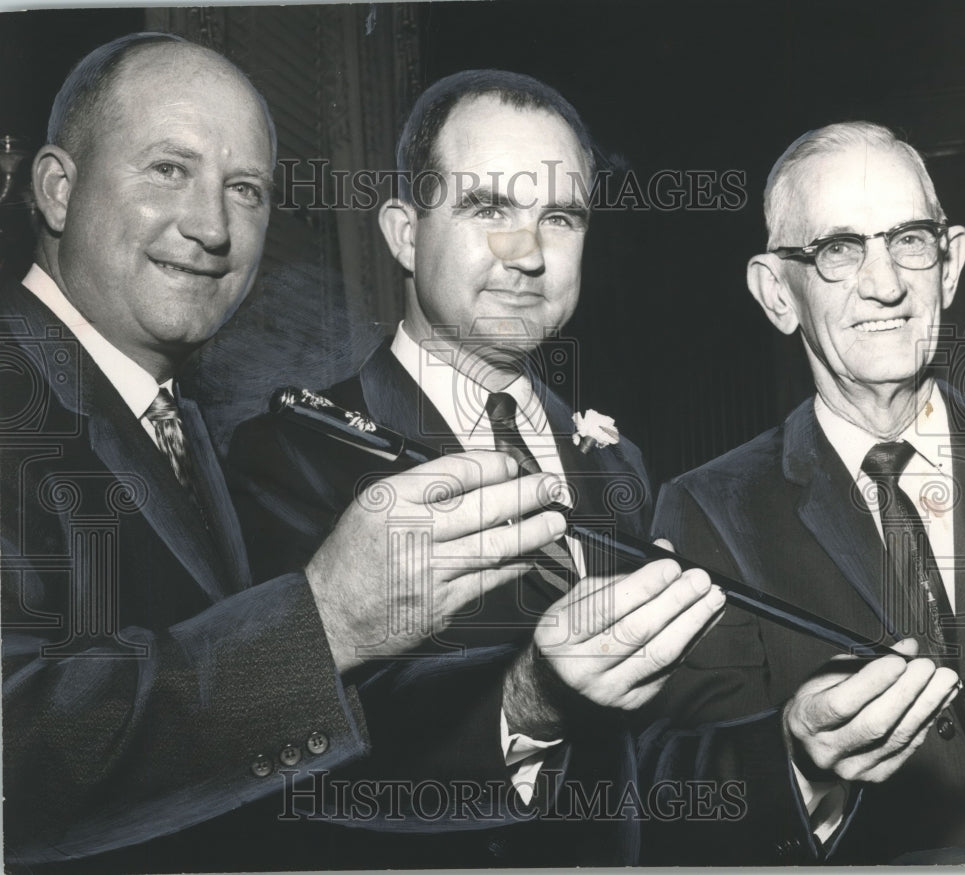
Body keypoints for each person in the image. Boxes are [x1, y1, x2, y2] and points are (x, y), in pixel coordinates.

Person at [0, 35, 573, 872]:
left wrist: (534, 697)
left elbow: (254, 773)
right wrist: (326, 619)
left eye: (245, 190)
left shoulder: (174, 419)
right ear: (57, 187)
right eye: (169, 169)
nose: (211, 226)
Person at [227, 69, 726, 866]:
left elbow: (644, 755)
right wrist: (530, 702)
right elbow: (277, 763)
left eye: (559, 216)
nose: (527, 252)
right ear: (403, 231)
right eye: (488, 207)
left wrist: (797, 753)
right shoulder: (286, 454)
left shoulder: (616, 462)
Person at [638, 121, 965, 864]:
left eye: (908, 240)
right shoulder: (710, 511)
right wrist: (795, 760)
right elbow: (674, 798)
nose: (886, 283)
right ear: (778, 293)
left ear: (950, 262)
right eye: (839, 249)